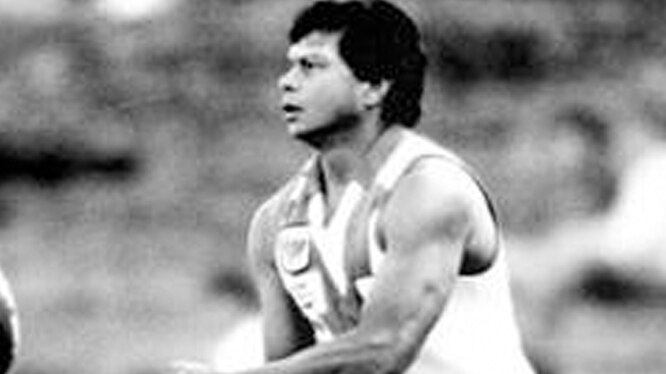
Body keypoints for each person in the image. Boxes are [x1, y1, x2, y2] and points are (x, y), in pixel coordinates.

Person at [174, 1, 535, 373]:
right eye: (290, 64)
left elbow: (385, 350)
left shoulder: (430, 191)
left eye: (310, 66)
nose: (287, 80)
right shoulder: (273, 223)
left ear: (373, 87)